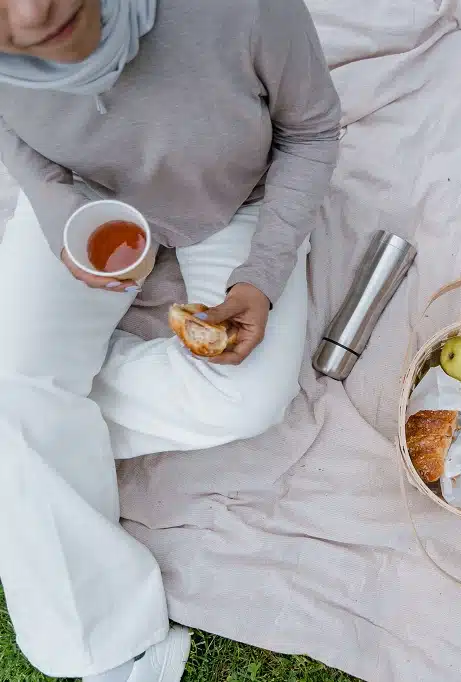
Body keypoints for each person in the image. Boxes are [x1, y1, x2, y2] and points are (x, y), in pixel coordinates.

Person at [0, 0, 341, 680]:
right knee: (16, 390)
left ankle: (41, 420)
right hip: (91, 203)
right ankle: (116, 644)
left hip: (232, 201)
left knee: (248, 399)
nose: (35, 15)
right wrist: (58, 204)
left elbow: (312, 132)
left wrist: (263, 274)